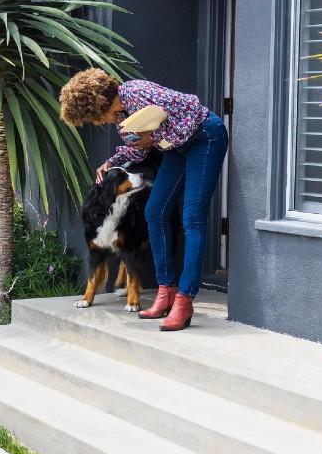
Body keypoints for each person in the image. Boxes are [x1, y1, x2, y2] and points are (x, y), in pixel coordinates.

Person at [59, 68, 229, 332]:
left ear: (99, 102)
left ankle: (184, 301)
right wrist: (111, 162)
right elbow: (137, 150)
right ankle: (166, 292)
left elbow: (188, 111)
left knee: (192, 218)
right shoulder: (122, 118)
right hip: (177, 148)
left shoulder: (135, 91)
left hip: (204, 136)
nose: (97, 122)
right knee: (155, 210)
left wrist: (155, 137)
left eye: (93, 116)